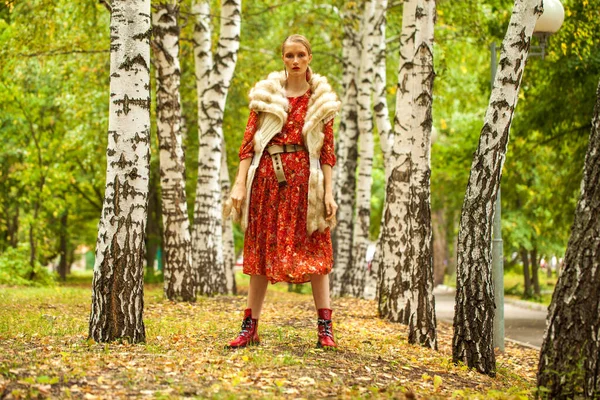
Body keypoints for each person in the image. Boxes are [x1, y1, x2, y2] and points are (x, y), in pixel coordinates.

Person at [224, 34, 340, 349]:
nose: (295, 61)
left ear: (309, 58)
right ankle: (250, 327)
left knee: (316, 251)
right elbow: (247, 144)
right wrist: (239, 184)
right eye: (289, 55)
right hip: (266, 181)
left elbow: (327, 153)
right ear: (283, 58)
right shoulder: (266, 96)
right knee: (261, 250)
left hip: (307, 186)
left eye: (301, 55)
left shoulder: (321, 101)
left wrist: (329, 193)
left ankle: (325, 328)